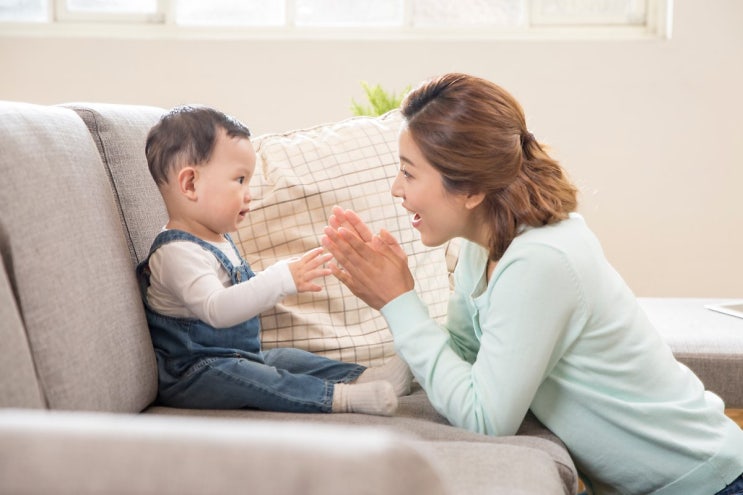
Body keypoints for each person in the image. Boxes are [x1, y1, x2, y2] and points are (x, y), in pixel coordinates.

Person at [321, 73, 743, 494]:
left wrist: (399, 301)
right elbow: (465, 353)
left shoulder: (541, 260)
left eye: (409, 174)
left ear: (469, 189)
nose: (397, 188)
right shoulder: (484, 243)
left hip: (705, 482)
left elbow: (485, 418)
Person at [136, 105, 411, 417]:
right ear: (191, 184)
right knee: (256, 377)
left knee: (287, 359)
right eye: (240, 180)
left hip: (237, 356)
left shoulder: (216, 238)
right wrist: (280, 279)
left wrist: (287, 276)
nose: (249, 193)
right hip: (193, 373)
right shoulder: (176, 253)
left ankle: (365, 376)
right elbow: (216, 310)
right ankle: (341, 397)